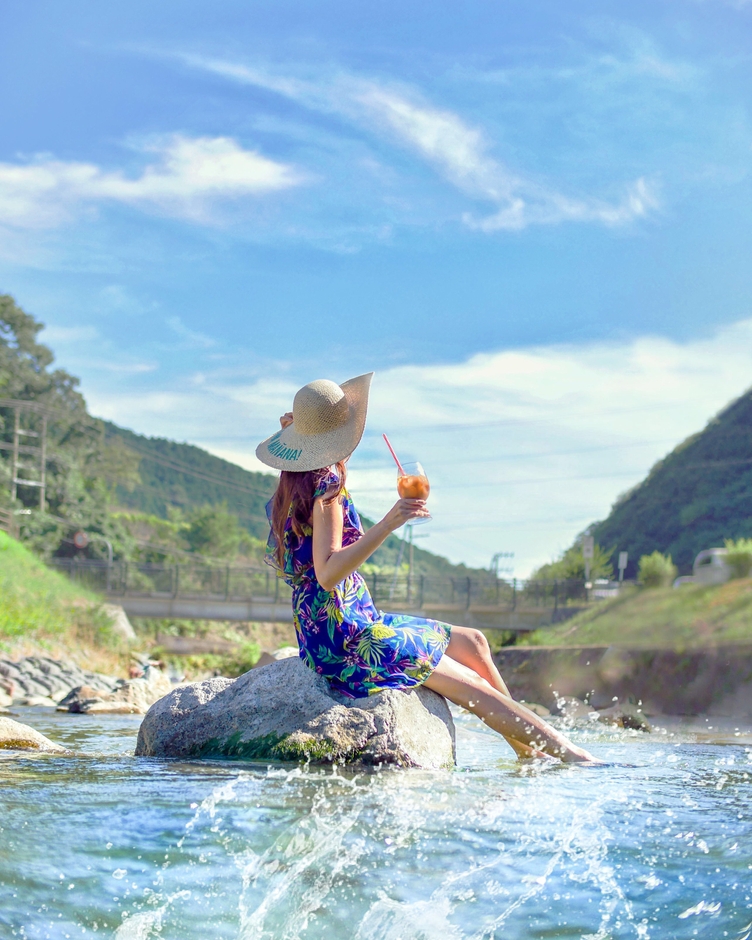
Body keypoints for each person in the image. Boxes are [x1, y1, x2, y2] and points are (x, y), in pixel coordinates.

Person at [256, 372, 599, 763]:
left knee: (474, 643)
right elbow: (328, 572)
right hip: (345, 639)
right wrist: (389, 523)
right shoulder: (328, 485)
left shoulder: (299, 476)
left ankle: (527, 752)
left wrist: (296, 430)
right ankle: (574, 756)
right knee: (471, 686)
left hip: (338, 622)